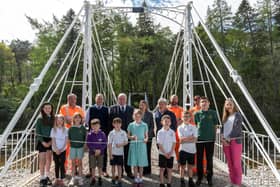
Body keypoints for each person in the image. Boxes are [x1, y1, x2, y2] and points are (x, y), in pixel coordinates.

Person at [195, 96, 219, 186]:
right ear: (200, 104)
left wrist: (214, 137)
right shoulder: (197, 114)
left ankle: (209, 178)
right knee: (199, 159)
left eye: (205, 102)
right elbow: (196, 126)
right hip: (200, 140)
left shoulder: (213, 113)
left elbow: (215, 126)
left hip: (210, 140)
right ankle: (199, 177)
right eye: (202, 102)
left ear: (209, 103)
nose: (204, 103)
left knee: (209, 160)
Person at [109, 93, 134, 178]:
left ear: (126, 100)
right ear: (117, 99)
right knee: (117, 154)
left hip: (127, 135)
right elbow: (110, 122)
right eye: (120, 99)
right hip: (116, 136)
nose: (122, 100)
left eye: (123, 99)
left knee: (127, 154)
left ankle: (128, 171)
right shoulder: (112, 109)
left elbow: (133, 123)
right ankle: (120, 172)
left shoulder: (131, 109)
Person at [85, 93, 110, 177]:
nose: (99, 100)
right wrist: (91, 131)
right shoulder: (90, 109)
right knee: (91, 153)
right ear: (95, 99)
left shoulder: (106, 109)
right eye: (98, 98)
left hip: (103, 134)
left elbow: (108, 121)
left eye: (101, 98)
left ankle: (104, 170)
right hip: (92, 134)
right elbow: (87, 120)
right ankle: (91, 171)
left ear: (103, 100)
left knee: (104, 153)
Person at [59, 93, 85, 170]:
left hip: (76, 133)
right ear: (68, 99)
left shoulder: (79, 108)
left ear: (76, 100)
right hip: (66, 133)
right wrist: (75, 120)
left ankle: (75, 167)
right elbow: (63, 119)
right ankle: (64, 167)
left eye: (74, 99)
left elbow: (83, 119)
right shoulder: (64, 108)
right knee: (65, 150)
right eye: (70, 99)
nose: (72, 100)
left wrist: (71, 120)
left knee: (76, 148)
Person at [221, 98, 243, 187]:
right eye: (227, 104)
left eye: (230, 104)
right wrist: (222, 139)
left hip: (235, 141)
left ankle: (237, 183)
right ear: (225, 106)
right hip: (226, 142)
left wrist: (228, 139)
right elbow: (222, 129)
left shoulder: (238, 115)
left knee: (236, 163)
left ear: (233, 105)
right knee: (230, 163)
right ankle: (232, 181)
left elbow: (237, 128)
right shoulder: (225, 117)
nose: (229, 106)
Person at [127, 109, 149, 186]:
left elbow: (146, 136)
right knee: (135, 164)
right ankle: (136, 179)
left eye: (139, 116)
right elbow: (128, 136)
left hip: (142, 146)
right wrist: (131, 137)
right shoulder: (131, 125)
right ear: (134, 116)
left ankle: (140, 179)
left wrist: (146, 139)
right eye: (136, 116)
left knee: (141, 164)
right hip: (133, 145)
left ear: (141, 116)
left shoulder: (145, 125)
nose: (137, 117)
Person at [36, 102, 54, 186]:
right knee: (42, 159)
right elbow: (37, 132)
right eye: (46, 108)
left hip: (50, 140)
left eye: (49, 108)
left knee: (49, 159)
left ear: (51, 109)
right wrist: (43, 142)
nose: (48, 109)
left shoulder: (53, 118)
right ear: (43, 109)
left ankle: (47, 176)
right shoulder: (40, 119)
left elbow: (55, 131)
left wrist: (51, 141)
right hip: (42, 140)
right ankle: (42, 177)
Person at [178, 111, 197, 187]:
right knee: (182, 167)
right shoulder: (179, 127)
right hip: (183, 150)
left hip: (192, 150)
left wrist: (185, 139)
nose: (186, 118)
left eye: (187, 116)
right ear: (182, 118)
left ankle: (190, 180)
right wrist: (191, 137)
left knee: (190, 167)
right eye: (184, 116)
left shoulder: (194, 127)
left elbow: (195, 139)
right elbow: (181, 140)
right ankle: (182, 181)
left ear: (190, 118)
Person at [108, 117, 128, 187]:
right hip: (113, 153)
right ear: (113, 124)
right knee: (113, 166)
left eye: (119, 123)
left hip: (120, 153)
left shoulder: (123, 132)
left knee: (119, 167)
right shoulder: (111, 133)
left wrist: (120, 144)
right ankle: (113, 178)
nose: (117, 125)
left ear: (121, 124)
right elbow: (109, 144)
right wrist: (110, 154)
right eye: (115, 123)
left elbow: (126, 142)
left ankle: (119, 179)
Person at [68, 112, 87, 186]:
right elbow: (69, 138)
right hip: (73, 147)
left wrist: (84, 145)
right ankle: (72, 178)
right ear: (73, 119)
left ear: (81, 119)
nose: (77, 119)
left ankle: (80, 178)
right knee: (72, 163)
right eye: (76, 117)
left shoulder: (83, 128)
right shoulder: (71, 128)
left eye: (79, 118)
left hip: (80, 147)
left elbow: (85, 137)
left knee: (80, 163)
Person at [86, 118, 107, 186]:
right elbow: (88, 144)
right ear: (91, 126)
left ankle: (100, 178)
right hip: (92, 153)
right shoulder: (89, 134)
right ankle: (93, 178)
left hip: (101, 153)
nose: (95, 127)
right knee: (93, 166)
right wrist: (94, 150)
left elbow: (104, 143)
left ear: (99, 126)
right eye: (93, 126)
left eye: (97, 126)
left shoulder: (102, 134)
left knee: (100, 166)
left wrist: (100, 150)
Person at [157, 115, 176, 187]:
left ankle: (169, 183)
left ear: (170, 123)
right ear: (162, 122)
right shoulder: (160, 132)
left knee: (169, 169)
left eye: (168, 121)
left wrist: (171, 152)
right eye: (165, 121)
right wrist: (165, 153)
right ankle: (161, 183)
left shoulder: (172, 132)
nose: (167, 123)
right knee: (162, 169)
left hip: (171, 154)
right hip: (162, 153)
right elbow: (159, 144)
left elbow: (174, 143)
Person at [50, 114, 68, 186]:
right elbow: (53, 140)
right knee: (57, 164)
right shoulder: (53, 129)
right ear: (56, 121)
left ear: (63, 121)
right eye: (58, 120)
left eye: (61, 120)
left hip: (63, 150)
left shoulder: (66, 129)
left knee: (62, 164)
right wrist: (56, 149)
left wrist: (62, 149)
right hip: (55, 150)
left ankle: (62, 179)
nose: (59, 122)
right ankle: (57, 179)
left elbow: (66, 141)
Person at [167, 95, 184, 169]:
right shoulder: (167, 108)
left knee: (178, 149)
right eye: (173, 98)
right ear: (170, 99)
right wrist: (175, 121)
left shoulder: (181, 109)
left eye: (175, 98)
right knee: (168, 148)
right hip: (168, 131)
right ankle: (167, 166)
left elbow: (182, 119)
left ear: (177, 100)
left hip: (177, 131)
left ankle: (179, 165)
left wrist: (175, 122)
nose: (174, 100)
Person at [139, 100, 155, 175]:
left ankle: (147, 170)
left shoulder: (150, 114)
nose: (143, 106)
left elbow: (152, 126)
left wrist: (147, 135)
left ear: (146, 106)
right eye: (141, 105)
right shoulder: (137, 114)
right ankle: (140, 169)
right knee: (140, 153)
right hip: (140, 137)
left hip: (148, 136)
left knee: (147, 153)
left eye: (144, 105)